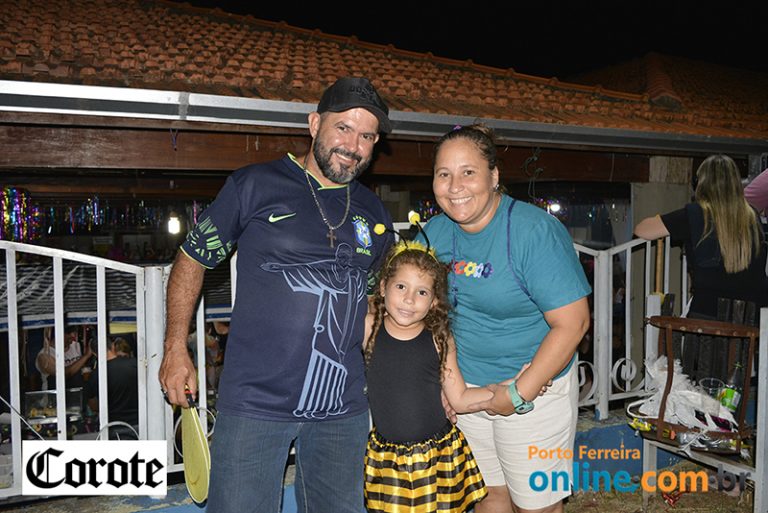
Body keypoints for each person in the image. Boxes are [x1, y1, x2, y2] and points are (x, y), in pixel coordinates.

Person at [158, 77, 395, 512]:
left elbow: (376, 302)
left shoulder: (374, 212)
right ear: (314, 124)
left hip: (342, 407)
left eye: (366, 136)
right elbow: (192, 258)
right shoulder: (255, 184)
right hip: (255, 403)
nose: (353, 146)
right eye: (343, 128)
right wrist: (176, 347)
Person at [421, 124, 591, 513]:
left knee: (536, 504)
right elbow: (424, 315)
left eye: (468, 172)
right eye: (444, 174)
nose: (455, 186)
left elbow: (574, 323)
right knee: (487, 495)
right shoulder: (434, 233)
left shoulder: (534, 231)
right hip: (467, 391)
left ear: (494, 176)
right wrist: (447, 385)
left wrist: (518, 394)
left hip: (535, 390)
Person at [363, 241, 489, 512]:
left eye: (422, 292)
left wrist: (510, 390)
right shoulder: (368, 328)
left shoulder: (439, 338)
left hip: (438, 457)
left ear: (434, 302)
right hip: (388, 460)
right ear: (383, 287)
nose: (409, 299)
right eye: (401, 287)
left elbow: (460, 398)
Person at [634, 154, 768, 320]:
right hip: (752, 317)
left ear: (701, 183)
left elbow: (642, 230)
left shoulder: (695, 214)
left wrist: (659, 218)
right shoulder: (753, 216)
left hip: (706, 315)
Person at [85, 336, 139, 439]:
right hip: (139, 423)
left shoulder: (95, 375)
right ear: (113, 346)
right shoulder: (135, 364)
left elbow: (93, 406)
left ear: (94, 353)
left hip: (112, 427)